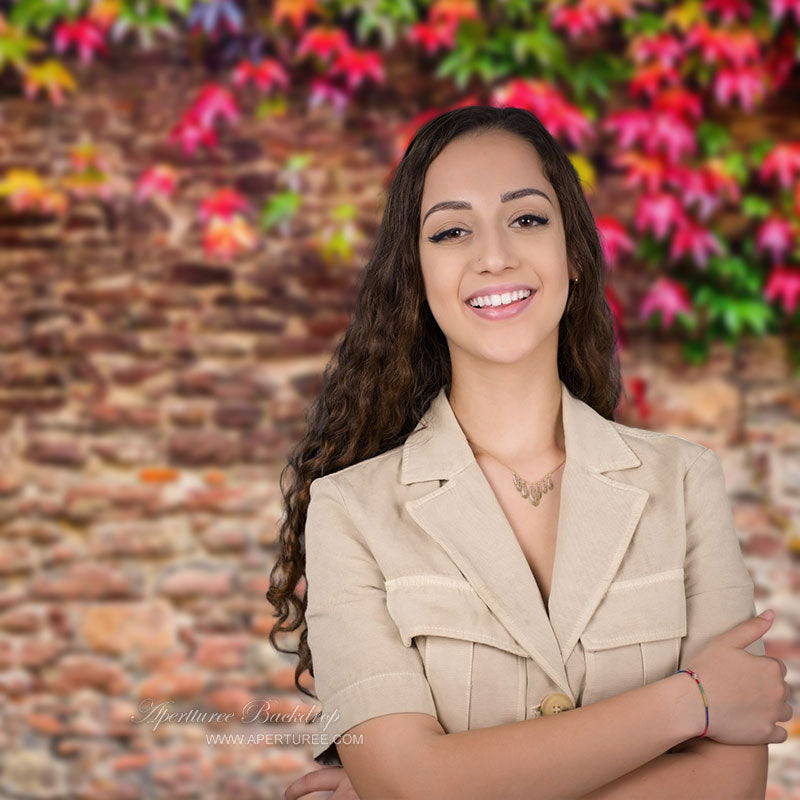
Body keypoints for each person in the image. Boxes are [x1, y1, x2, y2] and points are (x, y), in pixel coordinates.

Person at [269, 105, 792, 800]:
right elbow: (409, 784)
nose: (495, 256)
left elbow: (729, 788)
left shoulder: (685, 482)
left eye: (527, 219)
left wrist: (434, 786)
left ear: (572, 253)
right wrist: (689, 703)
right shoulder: (349, 512)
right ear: (417, 278)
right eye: (452, 231)